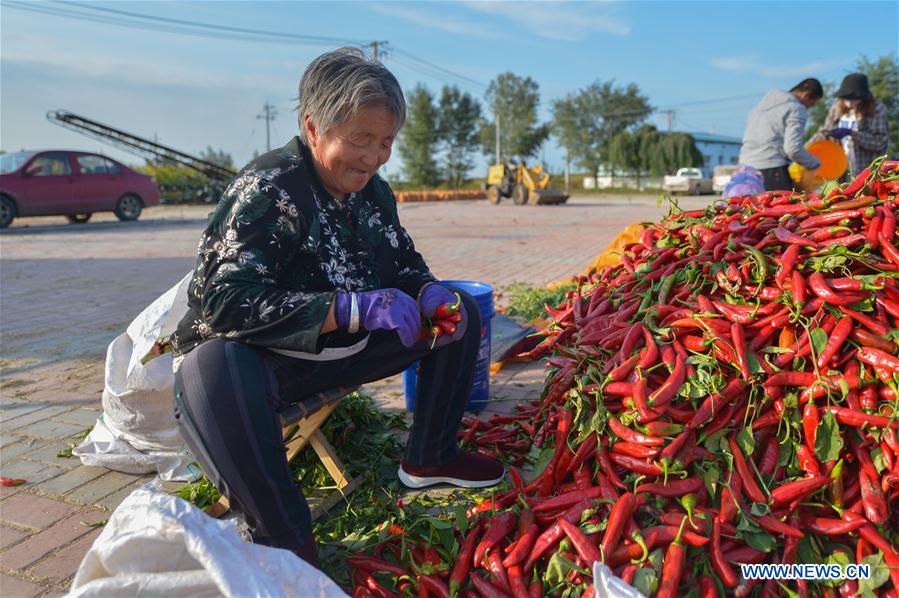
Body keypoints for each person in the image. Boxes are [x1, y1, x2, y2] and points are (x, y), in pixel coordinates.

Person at [169, 48, 504, 567]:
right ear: (313, 126)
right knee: (212, 366)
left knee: (459, 313)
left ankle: (430, 456)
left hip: (344, 346)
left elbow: (404, 263)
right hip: (268, 361)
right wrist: (348, 309)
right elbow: (224, 303)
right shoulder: (268, 190)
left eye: (386, 142)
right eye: (361, 139)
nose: (373, 157)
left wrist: (426, 290)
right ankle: (282, 533)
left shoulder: (373, 193)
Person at [738, 78, 823, 191]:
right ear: (806, 96)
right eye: (812, 104)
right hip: (771, 169)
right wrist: (814, 163)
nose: (809, 108)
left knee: (750, 207)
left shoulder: (758, 109)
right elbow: (793, 149)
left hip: (745, 169)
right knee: (782, 208)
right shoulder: (796, 109)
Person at [810, 73, 889, 177]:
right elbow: (824, 133)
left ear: (863, 97)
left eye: (853, 98)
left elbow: (879, 142)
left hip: (867, 171)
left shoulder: (877, 109)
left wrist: (852, 133)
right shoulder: (836, 108)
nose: (849, 102)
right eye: (846, 97)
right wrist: (804, 151)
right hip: (840, 170)